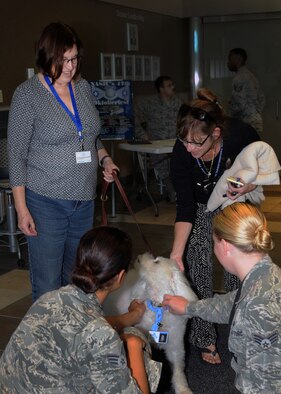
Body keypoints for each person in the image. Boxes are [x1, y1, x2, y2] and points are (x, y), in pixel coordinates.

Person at [8, 22, 119, 301]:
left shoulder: (82, 88)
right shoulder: (27, 95)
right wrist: (21, 210)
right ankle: (47, 342)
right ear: (47, 57)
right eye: (64, 60)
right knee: (48, 286)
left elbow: (89, 135)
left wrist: (105, 159)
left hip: (83, 200)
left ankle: (72, 341)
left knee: (78, 281)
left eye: (74, 58)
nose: (71, 66)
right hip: (46, 201)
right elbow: (17, 155)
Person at [0, 226, 161, 393]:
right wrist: (133, 345)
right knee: (137, 344)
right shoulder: (102, 335)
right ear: (120, 276)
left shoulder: (51, 298)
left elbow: (86, 326)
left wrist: (133, 315)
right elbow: (97, 332)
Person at [170, 88, 260, 364]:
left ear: (216, 134)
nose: (190, 148)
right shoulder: (182, 153)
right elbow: (185, 207)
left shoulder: (240, 136)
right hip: (199, 205)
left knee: (238, 263)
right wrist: (176, 253)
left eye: (197, 143)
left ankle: (240, 330)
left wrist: (248, 185)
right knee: (196, 258)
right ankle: (204, 336)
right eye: (184, 141)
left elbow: (261, 167)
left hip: (235, 201)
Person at [163, 202, 281, 394]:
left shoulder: (256, 309)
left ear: (224, 245)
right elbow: (231, 303)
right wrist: (189, 307)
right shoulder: (266, 274)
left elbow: (264, 385)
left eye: (214, 242)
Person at [134, 75, 183, 202]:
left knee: (179, 164)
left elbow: (185, 120)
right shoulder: (149, 103)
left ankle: (181, 192)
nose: (173, 87)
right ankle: (174, 194)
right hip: (156, 143)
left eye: (172, 84)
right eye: (169, 85)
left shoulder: (177, 102)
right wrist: (142, 134)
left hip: (174, 142)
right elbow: (133, 116)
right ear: (161, 89)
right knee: (163, 165)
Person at [227, 48, 265, 134]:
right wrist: (255, 113)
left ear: (238, 58)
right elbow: (262, 99)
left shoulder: (239, 77)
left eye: (230, 58)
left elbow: (239, 104)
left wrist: (227, 117)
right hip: (255, 122)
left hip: (246, 123)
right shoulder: (251, 76)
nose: (228, 62)